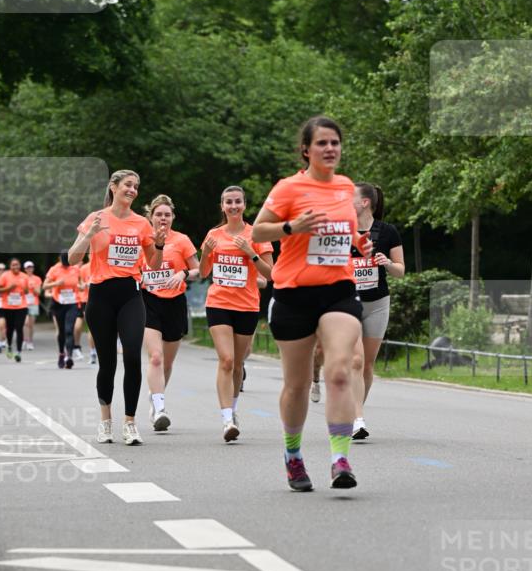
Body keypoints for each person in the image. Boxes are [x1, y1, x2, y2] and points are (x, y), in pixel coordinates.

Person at [252, 115, 371, 491]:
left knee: (340, 370)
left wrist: (359, 243)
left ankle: (340, 459)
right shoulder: (289, 188)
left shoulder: (345, 187)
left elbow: (348, 230)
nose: (330, 149)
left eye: (335, 142)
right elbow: (258, 231)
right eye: (322, 143)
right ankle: (293, 455)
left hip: (338, 289)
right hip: (293, 292)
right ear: (306, 149)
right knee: (298, 384)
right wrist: (291, 227)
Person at [67, 168, 166, 445]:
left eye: (136, 186)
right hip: (100, 296)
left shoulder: (141, 223)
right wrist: (90, 235)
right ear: (113, 186)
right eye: (128, 185)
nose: (132, 190)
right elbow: (73, 259)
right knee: (108, 362)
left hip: (130, 294)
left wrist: (159, 245)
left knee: (133, 355)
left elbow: (154, 265)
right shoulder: (95, 219)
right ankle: (105, 421)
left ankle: (130, 423)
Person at [199, 186, 273, 441]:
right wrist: (206, 253)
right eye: (228, 202)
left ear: (244, 205)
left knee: (238, 364)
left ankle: (234, 407)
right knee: (227, 360)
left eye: (237, 202)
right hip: (218, 302)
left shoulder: (257, 234)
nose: (233, 206)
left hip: (246, 305)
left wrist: (250, 253)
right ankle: (227, 419)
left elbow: (270, 274)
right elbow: (204, 271)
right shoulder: (213, 234)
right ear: (222, 206)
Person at [351, 182, 405, 439]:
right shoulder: (343, 232)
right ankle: (357, 419)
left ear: (364, 202)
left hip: (377, 304)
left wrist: (387, 263)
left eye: (350, 196)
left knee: (368, 365)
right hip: (348, 304)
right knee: (356, 360)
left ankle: (355, 413)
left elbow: (401, 270)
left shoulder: (387, 232)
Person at [141, 194, 199, 431]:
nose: (163, 218)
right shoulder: (142, 238)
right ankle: (160, 409)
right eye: (158, 214)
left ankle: (156, 396)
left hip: (174, 302)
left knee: (167, 362)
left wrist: (183, 273)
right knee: (155, 357)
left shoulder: (182, 240)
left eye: (167, 214)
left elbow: (198, 270)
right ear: (151, 217)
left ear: (173, 217)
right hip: (148, 301)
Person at [43, 252, 82, 369]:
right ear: (59, 259)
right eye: (64, 262)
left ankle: (69, 357)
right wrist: (56, 283)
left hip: (72, 303)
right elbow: (44, 286)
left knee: (69, 329)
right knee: (61, 332)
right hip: (58, 303)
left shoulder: (75, 269)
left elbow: (78, 284)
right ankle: (61, 353)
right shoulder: (54, 269)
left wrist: (82, 286)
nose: (66, 264)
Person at [0, 258, 29, 361]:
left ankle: (19, 352)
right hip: (8, 306)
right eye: (13, 265)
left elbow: (27, 291)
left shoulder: (24, 276)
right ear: (10, 266)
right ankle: (9, 345)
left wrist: (24, 289)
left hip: (21, 306)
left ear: (20, 265)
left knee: (19, 328)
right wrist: (9, 288)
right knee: (10, 328)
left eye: (17, 265)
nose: (15, 267)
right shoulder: (5, 276)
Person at [77, 258, 97, 363]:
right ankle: (93, 352)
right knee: (91, 327)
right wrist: (84, 285)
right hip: (87, 299)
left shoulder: (103, 263)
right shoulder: (83, 268)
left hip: (103, 299)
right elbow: (79, 286)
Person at [22, 260, 43, 350]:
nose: (29, 269)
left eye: (31, 267)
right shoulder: (22, 277)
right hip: (23, 302)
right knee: (25, 322)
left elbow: (38, 292)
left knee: (31, 324)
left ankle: (30, 341)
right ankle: (25, 340)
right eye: (28, 268)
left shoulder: (37, 279)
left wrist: (32, 287)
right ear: (25, 269)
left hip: (34, 303)